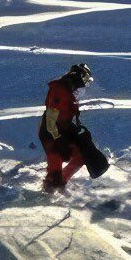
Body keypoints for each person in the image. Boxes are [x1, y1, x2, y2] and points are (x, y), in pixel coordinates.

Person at [39, 63, 94, 192]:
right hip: (51, 136)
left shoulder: (69, 90)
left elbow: (67, 115)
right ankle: (48, 193)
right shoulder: (59, 90)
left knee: (81, 156)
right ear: (78, 77)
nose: (85, 84)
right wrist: (59, 141)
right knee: (54, 173)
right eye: (85, 80)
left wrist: (79, 132)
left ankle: (60, 184)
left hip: (63, 132)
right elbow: (51, 120)